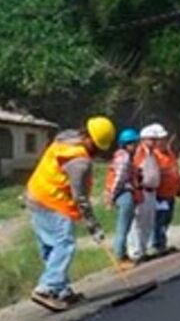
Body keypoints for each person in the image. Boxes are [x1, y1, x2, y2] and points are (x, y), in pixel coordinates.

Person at [25, 116, 115, 311]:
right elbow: (80, 197)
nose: (97, 152)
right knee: (64, 243)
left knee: (51, 246)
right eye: (97, 147)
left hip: (35, 195)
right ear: (90, 139)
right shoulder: (79, 161)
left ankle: (62, 291)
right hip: (53, 201)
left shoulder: (65, 139)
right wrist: (93, 226)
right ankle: (47, 288)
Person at [104, 128, 141, 269]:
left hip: (125, 193)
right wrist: (111, 197)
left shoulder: (123, 156)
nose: (136, 146)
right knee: (122, 227)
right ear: (126, 144)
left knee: (124, 227)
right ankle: (119, 257)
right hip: (123, 194)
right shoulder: (124, 157)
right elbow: (119, 179)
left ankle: (123, 255)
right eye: (134, 143)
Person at [130, 123, 164, 261]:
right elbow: (135, 170)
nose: (154, 142)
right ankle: (135, 251)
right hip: (142, 190)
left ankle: (143, 249)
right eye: (151, 139)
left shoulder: (153, 154)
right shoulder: (140, 153)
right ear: (144, 139)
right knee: (138, 222)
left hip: (152, 191)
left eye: (155, 140)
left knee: (148, 222)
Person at [151, 131, 180, 255]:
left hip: (170, 193)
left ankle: (162, 243)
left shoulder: (170, 154)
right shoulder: (155, 155)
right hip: (160, 194)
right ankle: (157, 244)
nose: (163, 142)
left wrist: (178, 187)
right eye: (161, 139)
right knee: (160, 219)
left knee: (168, 219)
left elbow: (175, 171)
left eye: (165, 139)